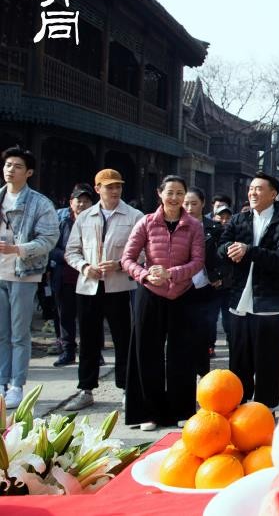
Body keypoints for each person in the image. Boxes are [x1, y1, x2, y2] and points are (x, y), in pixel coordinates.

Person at [121, 175, 205, 430]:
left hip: (182, 293)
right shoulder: (146, 222)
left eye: (180, 193)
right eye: (170, 192)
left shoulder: (193, 226)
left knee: (182, 353)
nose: (175, 198)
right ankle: (148, 412)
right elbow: (127, 258)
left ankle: (181, 410)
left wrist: (173, 274)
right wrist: (146, 275)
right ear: (160, 193)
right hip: (150, 293)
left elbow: (198, 261)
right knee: (146, 352)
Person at [63, 168, 143, 412]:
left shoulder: (135, 216)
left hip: (119, 286)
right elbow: (71, 251)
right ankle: (85, 389)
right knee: (88, 339)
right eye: (109, 186)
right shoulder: (85, 217)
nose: (115, 190)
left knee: (123, 339)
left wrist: (121, 264)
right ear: (97, 189)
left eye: (118, 186)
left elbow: (144, 252)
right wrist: (84, 266)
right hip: (88, 287)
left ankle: (127, 389)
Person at [218, 172, 279, 409]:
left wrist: (249, 250)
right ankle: (239, 406)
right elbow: (220, 247)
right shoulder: (238, 220)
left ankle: (266, 409)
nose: (253, 192)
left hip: (268, 302)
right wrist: (229, 250)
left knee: (268, 361)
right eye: (251, 188)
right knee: (239, 358)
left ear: (273, 194)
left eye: (259, 189)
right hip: (239, 299)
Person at [0, 147, 58, 408]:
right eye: (8, 165)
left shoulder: (40, 203)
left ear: (29, 172)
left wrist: (18, 249)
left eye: (17, 166)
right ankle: (1, 383)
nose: (10, 170)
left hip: (23, 273)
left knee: (18, 333)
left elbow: (48, 239)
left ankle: (16, 385)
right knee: (1, 333)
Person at [182, 187, 227, 371]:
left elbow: (224, 256)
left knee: (203, 333)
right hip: (179, 286)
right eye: (186, 204)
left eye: (194, 203)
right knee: (182, 334)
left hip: (205, 286)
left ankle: (203, 375)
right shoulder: (175, 226)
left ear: (203, 204)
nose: (190, 208)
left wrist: (219, 275)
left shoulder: (215, 228)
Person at [50, 184, 94, 367]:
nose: (82, 205)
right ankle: (68, 351)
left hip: (89, 277)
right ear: (71, 202)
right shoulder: (62, 222)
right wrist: (69, 258)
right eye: (79, 201)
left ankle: (92, 352)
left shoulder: (96, 222)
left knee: (90, 317)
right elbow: (52, 247)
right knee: (65, 316)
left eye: (86, 201)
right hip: (65, 276)